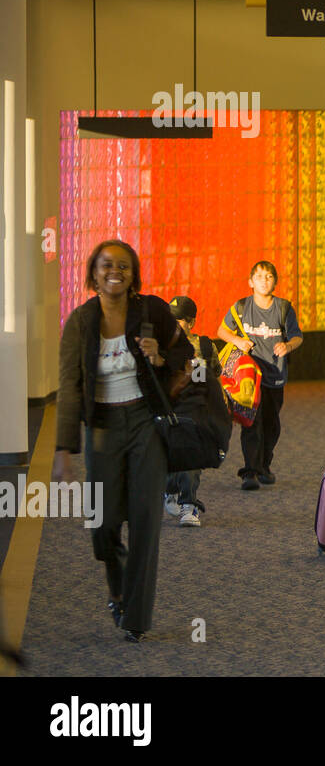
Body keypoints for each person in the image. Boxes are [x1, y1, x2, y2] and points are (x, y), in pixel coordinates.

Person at [55, 240, 194, 643]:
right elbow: (68, 386)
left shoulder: (150, 311)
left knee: (146, 519)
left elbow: (188, 356)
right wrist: (64, 450)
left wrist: (159, 358)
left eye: (123, 266)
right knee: (102, 522)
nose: (114, 271)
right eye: (105, 265)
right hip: (101, 427)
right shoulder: (80, 322)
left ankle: (135, 614)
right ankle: (117, 586)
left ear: (133, 274)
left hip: (144, 421)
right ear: (93, 274)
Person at [217, 261, 304, 490]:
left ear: (275, 281)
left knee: (272, 424)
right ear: (250, 282)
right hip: (249, 377)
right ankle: (250, 472)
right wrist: (237, 341)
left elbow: (297, 337)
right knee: (251, 423)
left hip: (275, 376)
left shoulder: (284, 308)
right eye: (259, 276)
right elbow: (221, 331)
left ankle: (264, 465)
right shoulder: (241, 307)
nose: (264, 281)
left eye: (269, 276)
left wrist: (287, 346)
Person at [162, 295, 218, 527]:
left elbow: (215, 376)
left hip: (195, 413)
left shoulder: (205, 347)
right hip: (168, 411)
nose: (174, 325)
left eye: (180, 320)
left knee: (192, 457)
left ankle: (189, 504)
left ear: (191, 322)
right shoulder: (161, 348)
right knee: (168, 459)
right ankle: (171, 490)